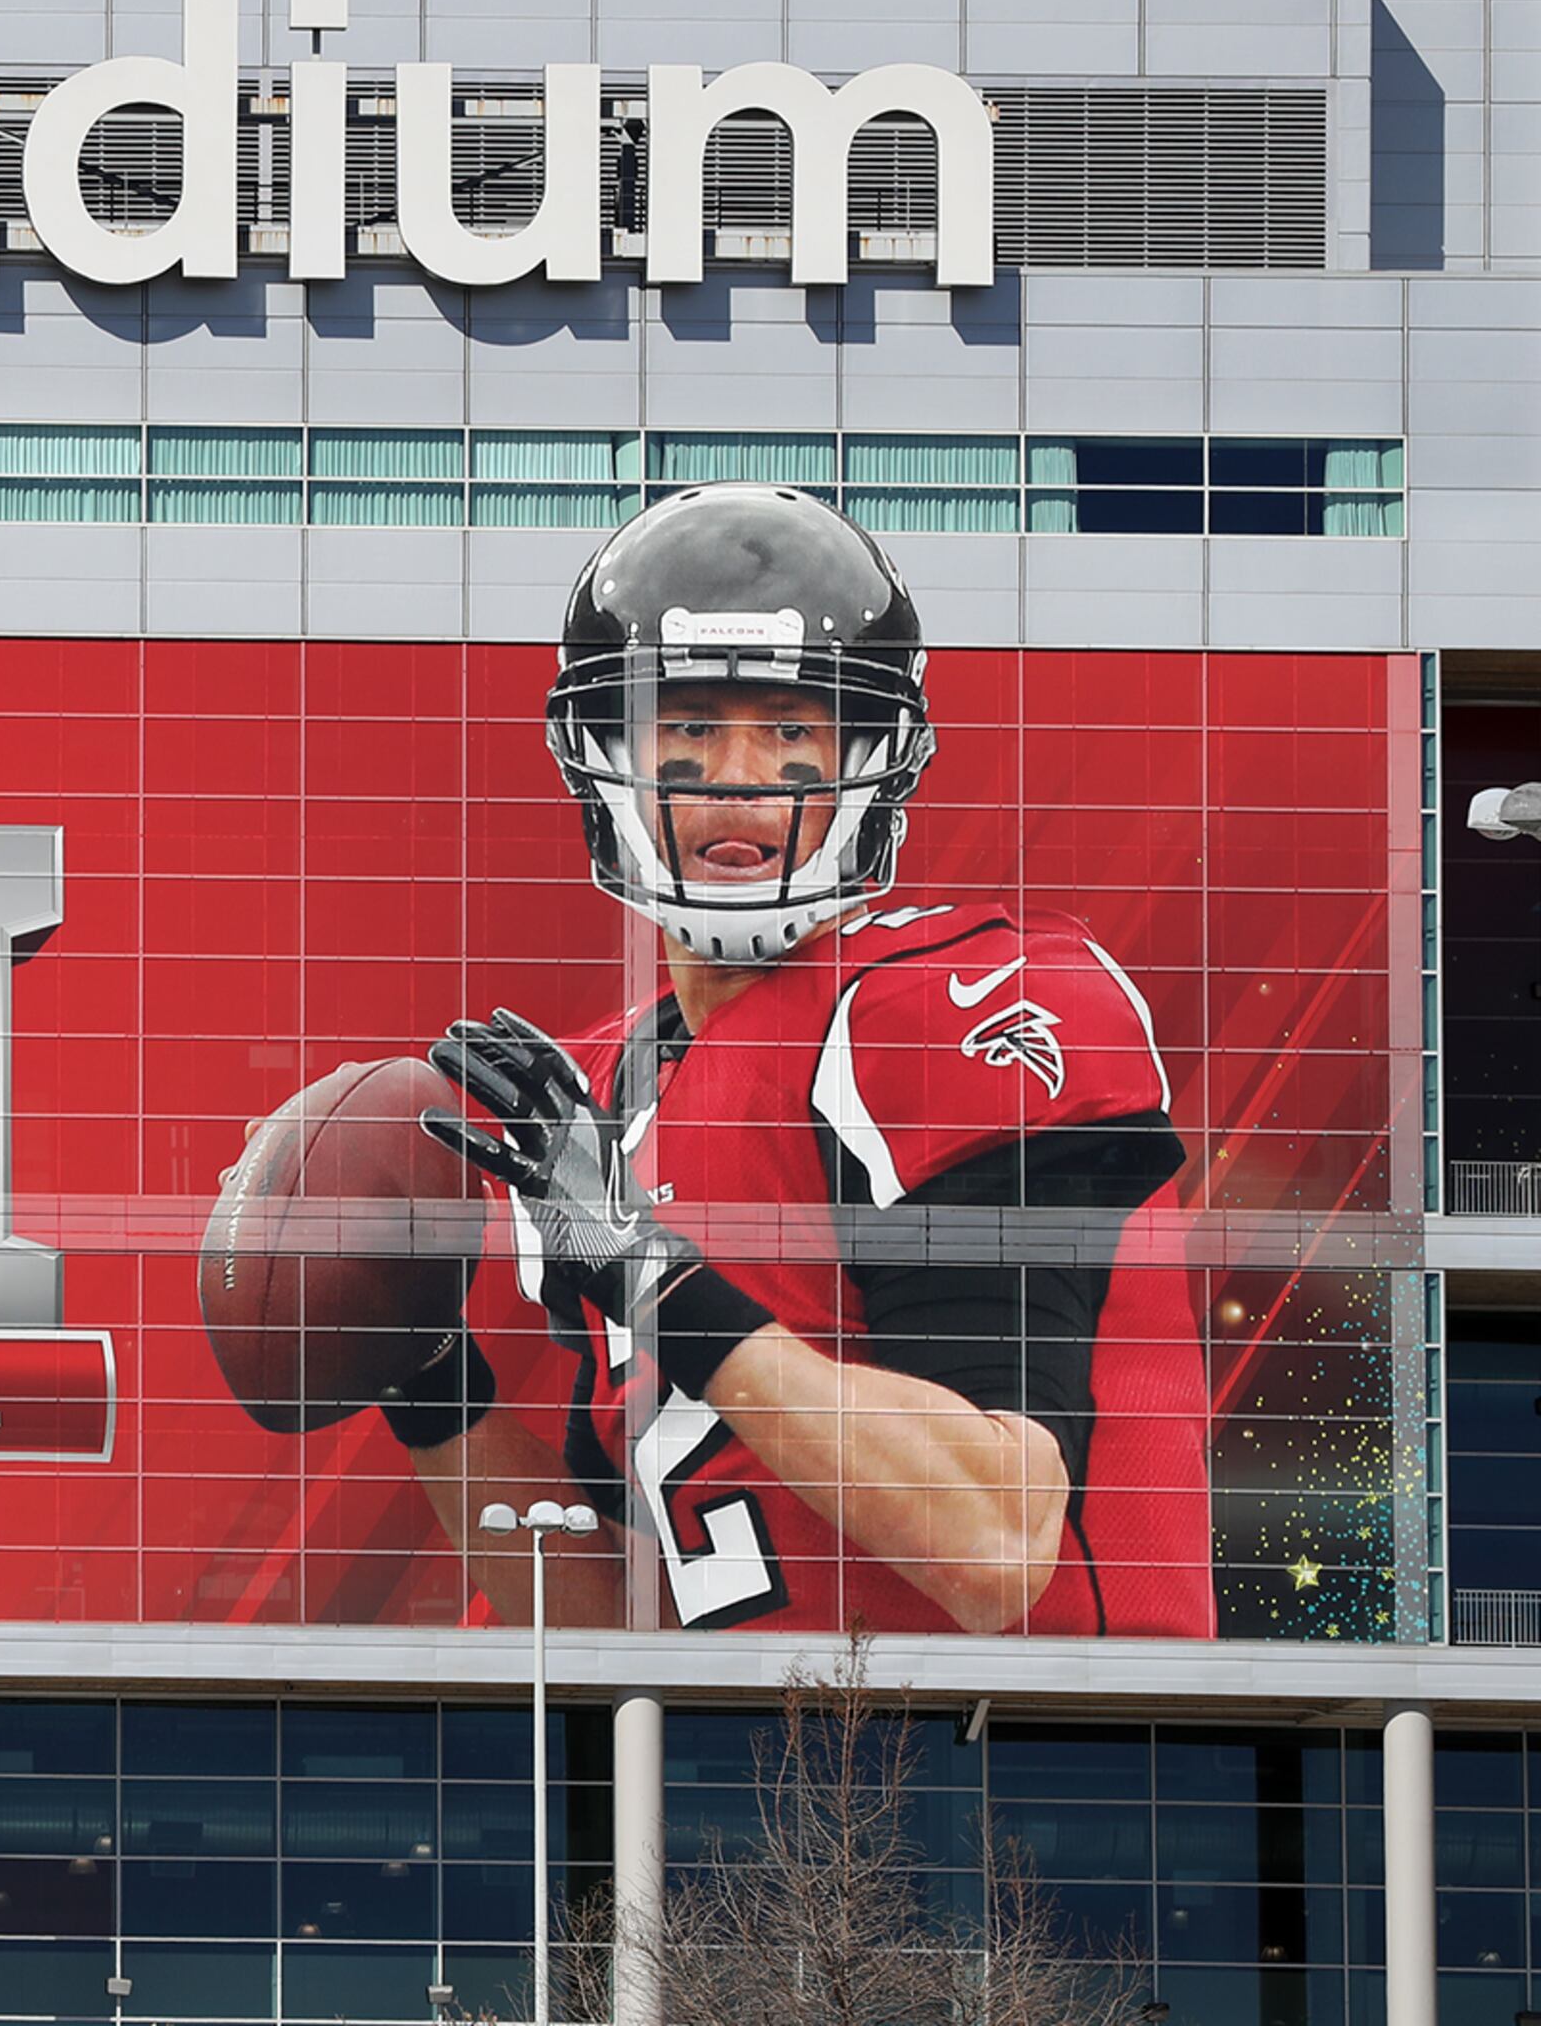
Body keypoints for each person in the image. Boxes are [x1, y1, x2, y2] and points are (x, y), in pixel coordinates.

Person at [340, 484, 1208, 1636]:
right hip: (714, 1757)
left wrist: (651, 1275)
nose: (738, 773)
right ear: (607, 756)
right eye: (690, 725)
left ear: (871, 755)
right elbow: (607, 1608)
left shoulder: (953, 1001)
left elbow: (997, 1543)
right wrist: (429, 1377)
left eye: (791, 728)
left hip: (1019, 1763)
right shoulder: (598, 1089)